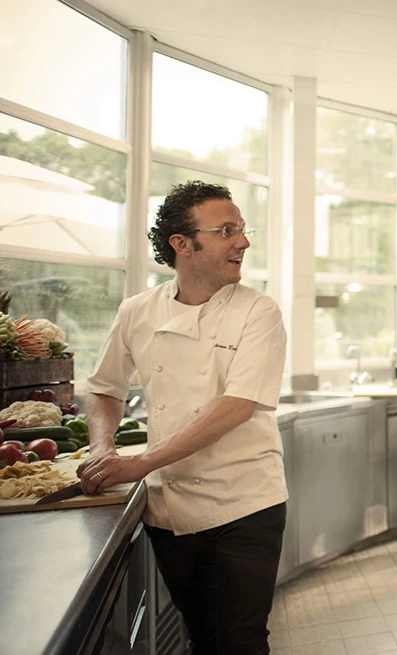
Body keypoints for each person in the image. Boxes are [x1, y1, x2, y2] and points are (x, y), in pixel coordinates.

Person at [78, 181, 288, 654]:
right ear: (181, 243)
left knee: (242, 641)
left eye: (242, 229)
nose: (243, 242)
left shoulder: (259, 311)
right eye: (226, 230)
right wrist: (102, 449)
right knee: (202, 636)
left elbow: (236, 406)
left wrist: (141, 462)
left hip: (246, 501)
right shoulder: (137, 311)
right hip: (170, 508)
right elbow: (105, 388)